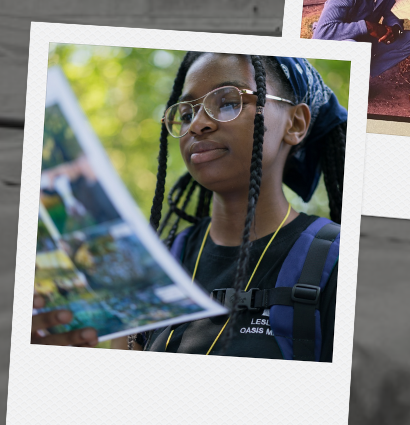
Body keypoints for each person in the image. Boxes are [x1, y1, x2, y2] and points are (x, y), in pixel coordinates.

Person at [111, 53, 347, 360]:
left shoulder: (338, 261)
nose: (196, 125)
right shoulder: (155, 265)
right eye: (186, 113)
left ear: (295, 123)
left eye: (228, 102)